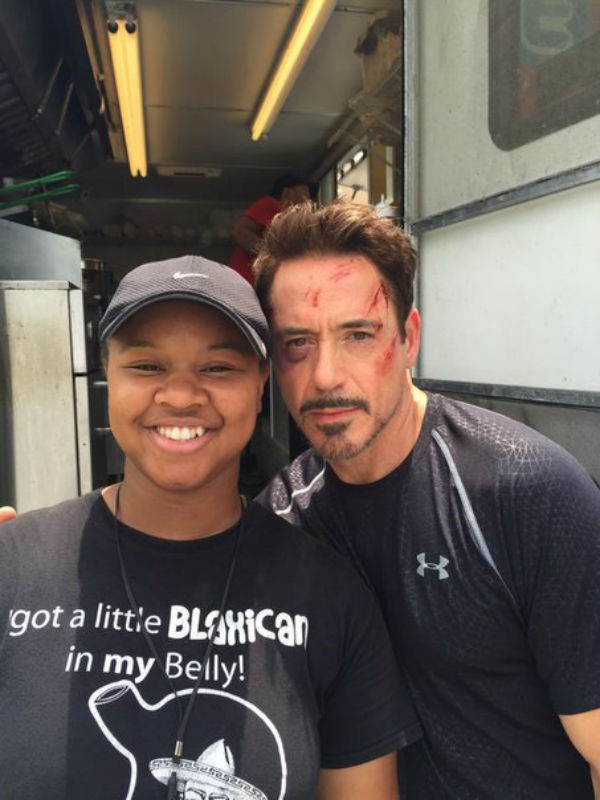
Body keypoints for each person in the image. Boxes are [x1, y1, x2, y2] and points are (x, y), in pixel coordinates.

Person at [0, 255, 420, 799]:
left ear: (261, 384)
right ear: (108, 372)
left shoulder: (331, 598)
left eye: (218, 368)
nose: (180, 396)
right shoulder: (14, 567)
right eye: (146, 366)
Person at [253, 202, 600, 799]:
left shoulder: (523, 489)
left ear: (409, 337)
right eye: (298, 343)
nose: (326, 376)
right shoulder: (280, 524)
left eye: (358, 335)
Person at [229, 174, 310, 285]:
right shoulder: (271, 204)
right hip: (246, 282)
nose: (308, 198)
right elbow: (240, 232)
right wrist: (270, 256)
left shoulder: (290, 218)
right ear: (287, 193)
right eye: (304, 192)